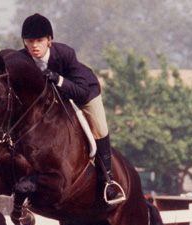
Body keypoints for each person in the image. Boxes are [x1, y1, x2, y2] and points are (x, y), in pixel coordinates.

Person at [19, 13, 125, 205]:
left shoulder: (65, 54)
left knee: (99, 128)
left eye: (40, 40)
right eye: (30, 41)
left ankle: (108, 180)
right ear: (25, 43)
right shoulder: (22, 59)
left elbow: (82, 93)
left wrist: (58, 79)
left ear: (49, 40)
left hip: (83, 91)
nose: (35, 45)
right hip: (51, 99)